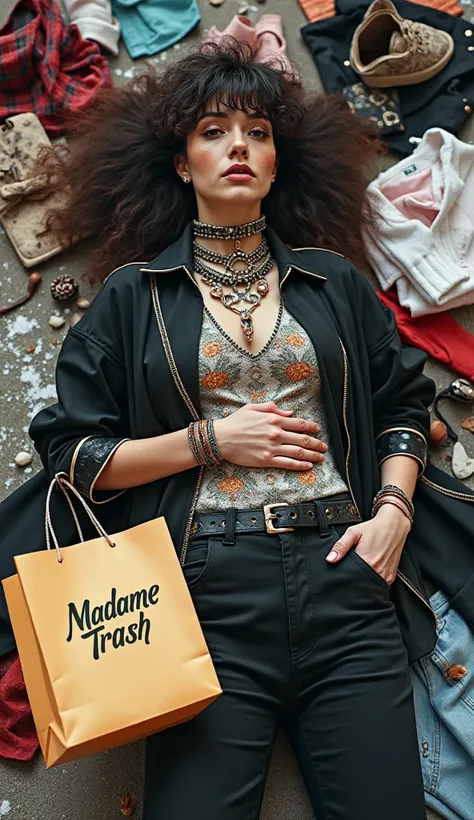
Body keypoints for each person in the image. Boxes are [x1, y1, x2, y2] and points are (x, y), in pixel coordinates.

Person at [4, 44, 439, 818]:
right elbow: (72, 456)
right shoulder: (132, 298)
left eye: (258, 131)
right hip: (203, 594)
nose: (239, 145)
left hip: (348, 576)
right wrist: (210, 442)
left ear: (277, 163)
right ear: (180, 164)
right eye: (213, 130)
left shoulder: (333, 280)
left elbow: (406, 404)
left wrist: (393, 515)